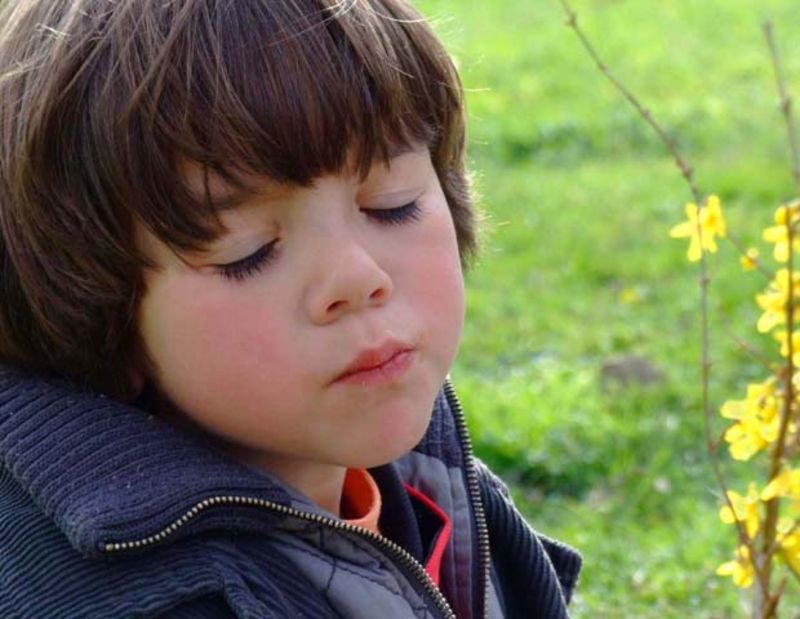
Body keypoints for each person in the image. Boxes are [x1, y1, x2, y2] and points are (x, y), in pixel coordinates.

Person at [0, 0, 581, 617]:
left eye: (392, 203)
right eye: (248, 251)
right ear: (100, 317)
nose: (358, 276)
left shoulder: (433, 484)